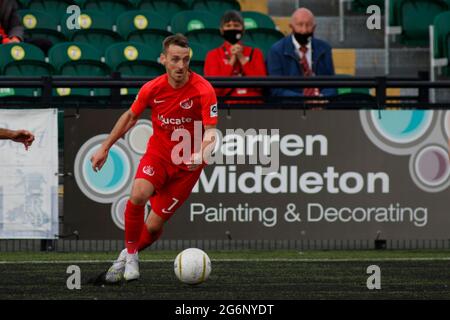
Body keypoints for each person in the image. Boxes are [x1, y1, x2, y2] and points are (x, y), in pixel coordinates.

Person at [90, 34, 218, 283]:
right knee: (138, 195)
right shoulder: (152, 88)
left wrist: (201, 152)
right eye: (174, 59)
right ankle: (132, 258)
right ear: (163, 59)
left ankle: (125, 256)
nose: (180, 66)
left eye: (185, 59)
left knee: (153, 226)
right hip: (159, 156)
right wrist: (105, 147)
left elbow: (211, 131)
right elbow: (130, 117)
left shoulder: (204, 89)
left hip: (188, 167)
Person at [266, 7, 337, 98]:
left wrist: (322, 97)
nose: (304, 30)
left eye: (308, 25)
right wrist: (303, 99)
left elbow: (331, 85)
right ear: (291, 26)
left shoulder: (324, 49)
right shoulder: (276, 51)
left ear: (314, 27)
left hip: (321, 104)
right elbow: (276, 90)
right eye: (300, 25)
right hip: (290, 106)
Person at [204, 10, 266, 103]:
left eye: (236, 25)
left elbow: (261, 86)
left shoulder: (255, 53)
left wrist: (242, 58)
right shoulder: (213, 54)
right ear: (221, 30)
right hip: (225, 105)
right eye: (228, 26)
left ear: (243, 30)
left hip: (253, 104)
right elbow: (215, 89)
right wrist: (232, 60)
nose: (232, 28)